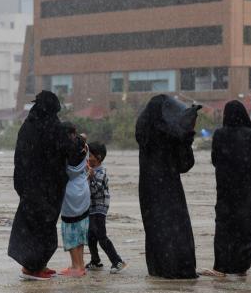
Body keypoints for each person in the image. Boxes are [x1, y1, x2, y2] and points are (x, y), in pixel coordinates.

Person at [8, 90, 74, 281]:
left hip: (30, 187)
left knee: (31, 227)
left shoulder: (27, 127)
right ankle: (33, 268)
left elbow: (19, 159)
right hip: (46, 189)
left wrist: (21, 186)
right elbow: (68, 150)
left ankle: (36, 265)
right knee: (43, 228)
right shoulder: (52, 127)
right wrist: (78, 143)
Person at [135, 95, 202, 279]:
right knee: (175, 227)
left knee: (156, 228)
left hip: (148, 188)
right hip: (169, 187)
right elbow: (185, 165)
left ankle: (159, 267)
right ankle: (178, 266)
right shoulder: (172, 135)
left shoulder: (144, 131)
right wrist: (187, 136)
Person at [211, 101, 251, 276]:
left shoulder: (218, 134)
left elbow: (215, 160)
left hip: (225, 190)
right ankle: (242, 266)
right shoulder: (250, 135)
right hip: (246, 190)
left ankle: (221, 266)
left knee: (224, 227)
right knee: (245, 227)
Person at [85, 142, 127, 274]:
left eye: (90, 156)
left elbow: (97, 190)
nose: (87, 158)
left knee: (101, 237)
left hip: (100, 208)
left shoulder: (101, 172)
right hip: (91, 208)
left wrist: (91, 178)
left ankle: (117, 261)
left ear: (98, 157)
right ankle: (95, 261)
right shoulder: (90, 171)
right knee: (90, 236)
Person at [59, 135, 90, 278]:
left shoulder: (64, 161)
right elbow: (83, 139)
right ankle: (80, 265)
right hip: (83, 191)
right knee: (80, 229)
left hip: (69, 194)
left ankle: (76, 267)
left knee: (70, 231)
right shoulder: (84, 153)